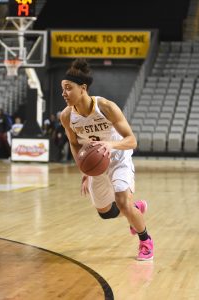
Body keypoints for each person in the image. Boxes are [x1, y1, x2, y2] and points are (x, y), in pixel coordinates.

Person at [60, 58, 154, 260]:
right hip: (96, 164)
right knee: (106, 213)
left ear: (83, 88)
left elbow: (132, 140)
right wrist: (84, 170)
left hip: (118, 156)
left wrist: (110, 145)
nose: (64, 93)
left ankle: (145, 240)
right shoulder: (67, 116)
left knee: (122, 202)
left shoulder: (105, 107)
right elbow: (75, 144)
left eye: (68, 88)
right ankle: (135, 209)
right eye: (62, 89)